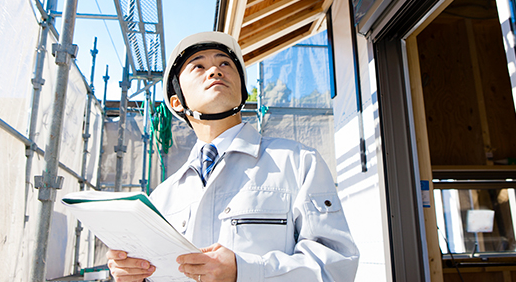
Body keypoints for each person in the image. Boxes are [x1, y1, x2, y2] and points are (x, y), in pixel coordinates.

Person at [107, 31, 359, 282]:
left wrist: (245, 271)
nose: (215, 70)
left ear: (243, 92)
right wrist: (134, 276)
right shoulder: (162, 198)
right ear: (176, 102)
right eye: (199, 66)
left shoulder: (298, 162)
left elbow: (335, 268)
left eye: (225, 63)